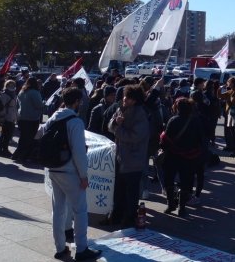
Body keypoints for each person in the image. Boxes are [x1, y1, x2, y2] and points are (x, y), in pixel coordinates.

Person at [40, 87, 101, 261]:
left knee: (58, 210)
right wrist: (84, 175)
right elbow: (79, 152)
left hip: (53, 168)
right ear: (77, 102)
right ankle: (81, 249)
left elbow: (40, 134)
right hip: (70, 171)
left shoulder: (53, 117)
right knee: (80, 211)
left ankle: (60, 248)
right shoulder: (75, 122)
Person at [106, 84, 150, 227]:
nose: (124, 99)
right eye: (124, 97)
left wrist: (118, 128)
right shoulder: (120, 109)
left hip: (133, 159)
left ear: (135, 100)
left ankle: (129, 218)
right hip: (120, 157)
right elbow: (110, 126)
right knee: (118, 190)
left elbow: (135, 136)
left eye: (128, 98)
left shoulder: (140, 114)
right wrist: (115, 123)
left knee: (131, 192)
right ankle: (115, 216)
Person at [159, 97, 206, 216]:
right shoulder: (196, 121)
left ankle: (170, 205)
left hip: (172, 155)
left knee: (169, 180)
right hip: (190, 156)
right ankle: (182, 208)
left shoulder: (173, 120)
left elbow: (165, 140)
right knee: (186, 182)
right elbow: (202, 140)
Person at [14, 77, 44, 161]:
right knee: (30, 138)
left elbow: (17, 104)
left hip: (21, 117)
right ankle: (24, 155)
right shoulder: (35, 92)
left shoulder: (21, 92)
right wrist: (43, 104)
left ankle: (17, 154)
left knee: (23, 137)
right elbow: (39, 105)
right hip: (32, 118)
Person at [0, 79, 19, 157]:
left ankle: (3, 150)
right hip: (5, 117)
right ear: (6, 86)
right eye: (10, 85)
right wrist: (2, 117)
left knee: (7, 135)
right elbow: (1, 107)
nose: (12, 86)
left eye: (13, 85)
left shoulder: (13, 94)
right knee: (4, 135)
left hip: (12, 117)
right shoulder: (4, 94)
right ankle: (2, 151)